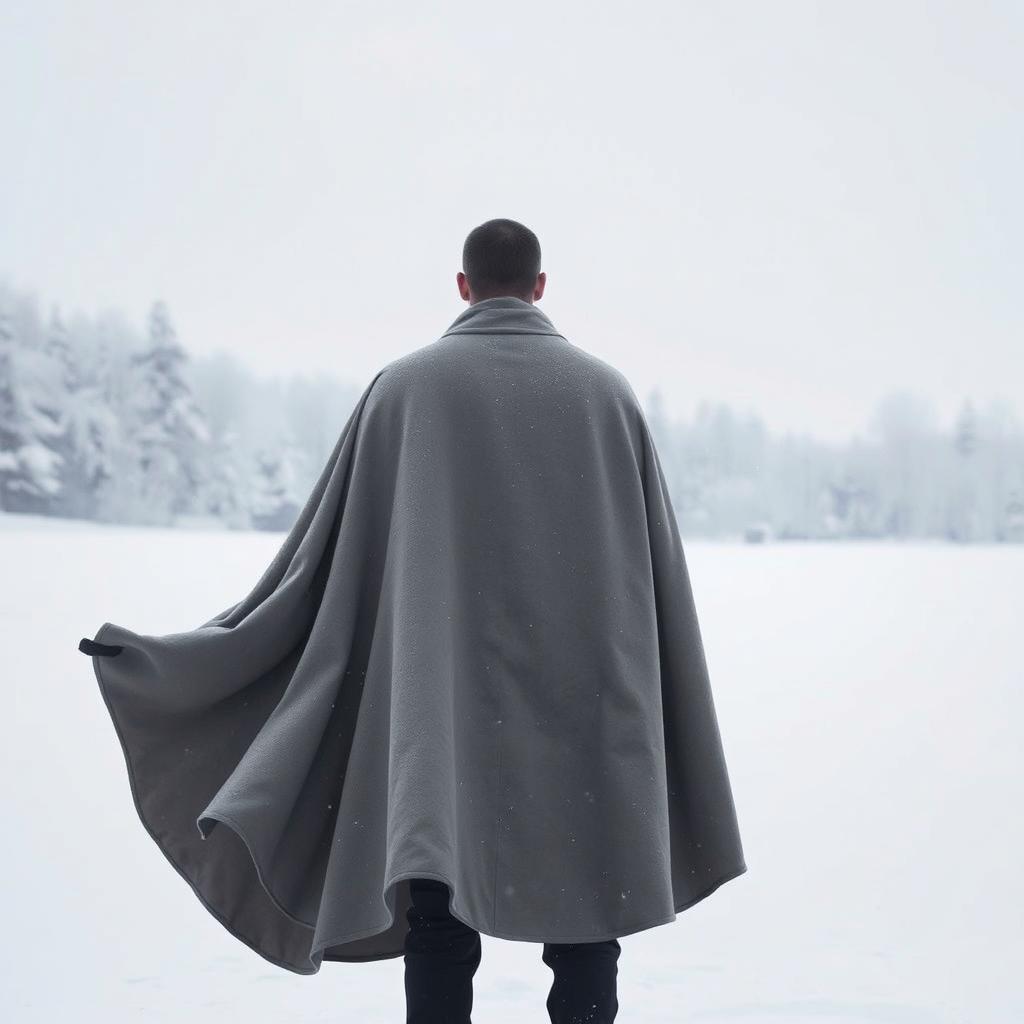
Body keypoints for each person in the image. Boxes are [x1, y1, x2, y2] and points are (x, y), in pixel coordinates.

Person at [81, 217, 746, 1024]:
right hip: (588, 701)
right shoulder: (606, 395)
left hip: (440, 708)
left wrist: (174, 662)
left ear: (462, 286)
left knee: (440, 914)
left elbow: (315, 569)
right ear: (540, 287)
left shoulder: (404, 390)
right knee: (588, 914)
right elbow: (655, 577)